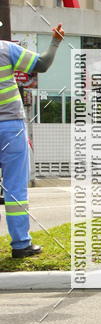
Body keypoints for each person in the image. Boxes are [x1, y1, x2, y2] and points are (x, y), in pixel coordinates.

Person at [0, 24, 65, 258]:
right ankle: (20, 244)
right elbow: (43, 64)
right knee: (15, 188)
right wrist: (55, 41)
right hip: (10, 126)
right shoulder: (6, 50)